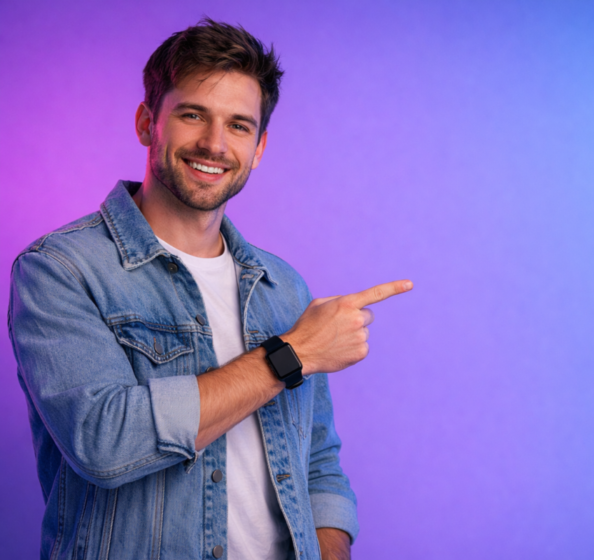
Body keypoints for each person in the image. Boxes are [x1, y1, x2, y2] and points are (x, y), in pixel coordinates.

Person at [8, 18, 411, 560]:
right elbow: (103, 441)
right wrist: (292, 356)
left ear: (260, 146)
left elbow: (317, 461)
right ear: (147, 122)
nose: (214, 144)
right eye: (193, 114)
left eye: (239, 125)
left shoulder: (281, 286)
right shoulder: (59, 269)